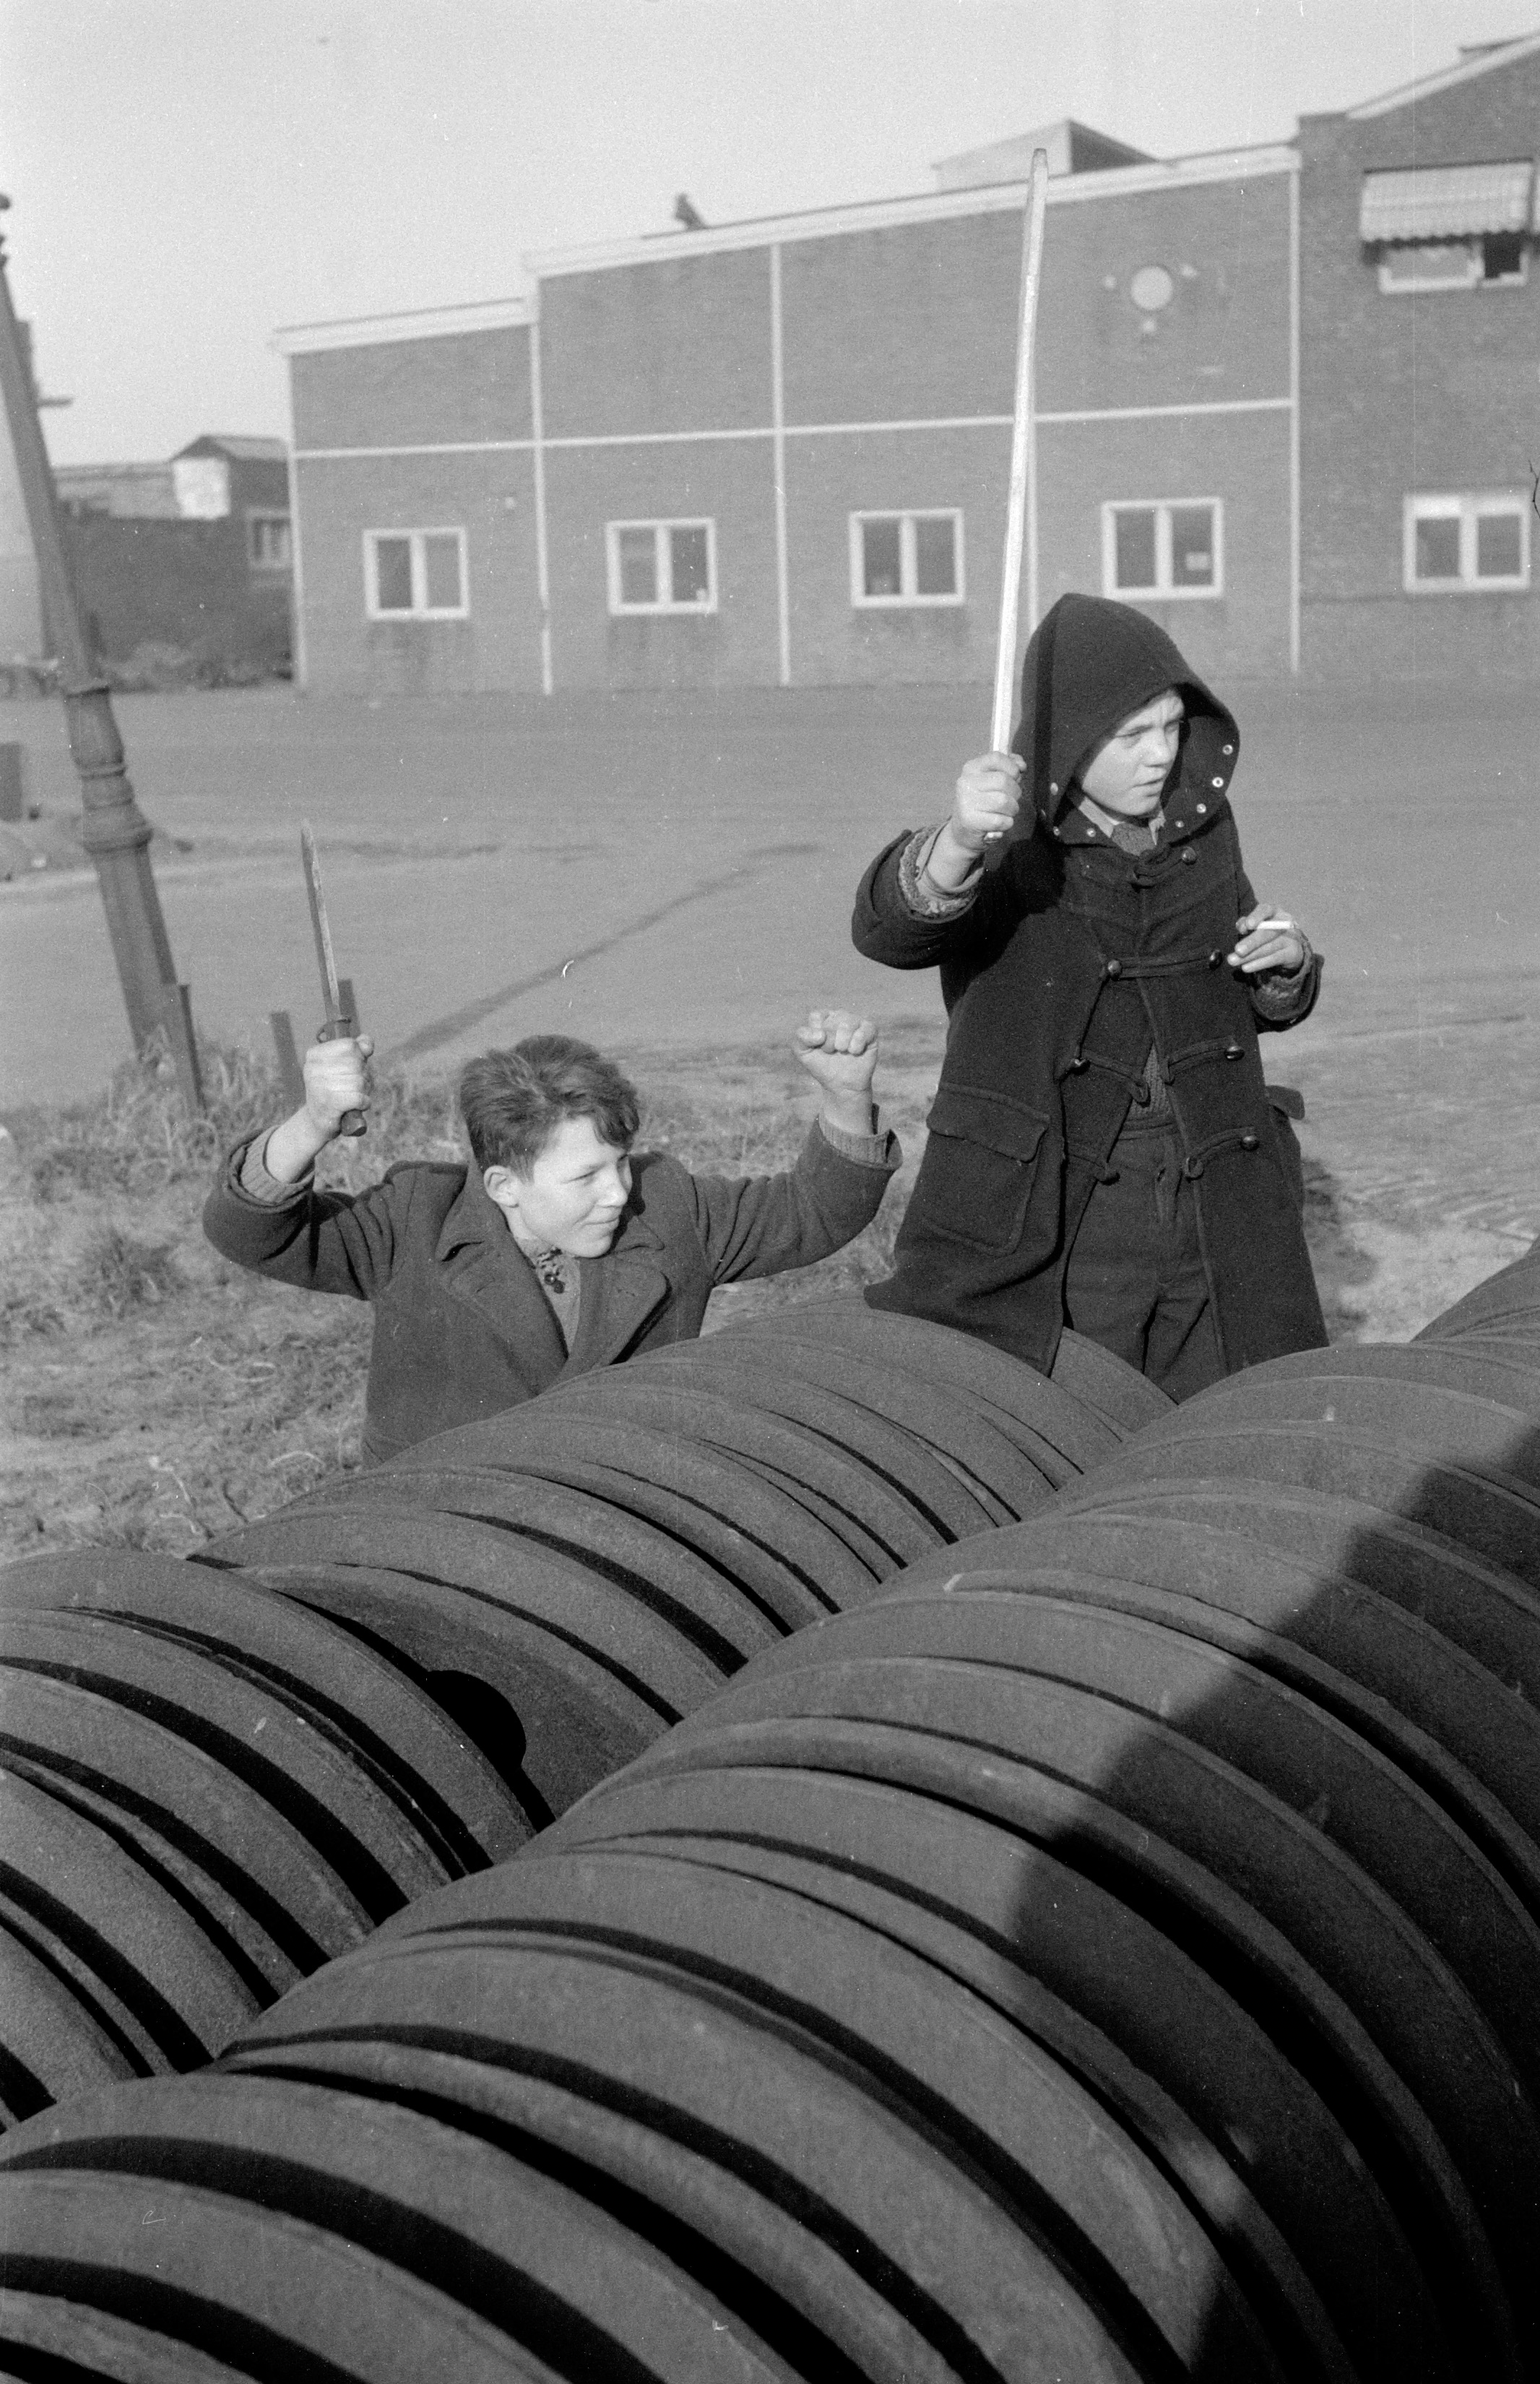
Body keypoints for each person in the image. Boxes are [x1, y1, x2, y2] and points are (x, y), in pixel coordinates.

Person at [852, 591, 1326, 1397]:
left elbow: (1233, 994)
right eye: (1132, 736)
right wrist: (956, 841)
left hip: (1208, 1193)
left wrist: (1283, 964)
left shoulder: (1204, 827)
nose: (1160, 756)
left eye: (1172, 727)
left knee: (1220, 1412)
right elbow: (891, 932)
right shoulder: (1005, 841)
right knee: (1075, 1423)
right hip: (1062, 1208)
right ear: (1071, 738)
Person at [204, 1012, 897, 1462]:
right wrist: (314, 1123)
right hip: (434, 1527)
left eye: (620, 1162)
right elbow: (250, 1231)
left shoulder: (669, 1209)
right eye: (586, 1176)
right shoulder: (412, 1223)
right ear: (504, 1185)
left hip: (619, 1514)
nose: (618, 1192)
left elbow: (815, 1211)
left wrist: (846, 1096)